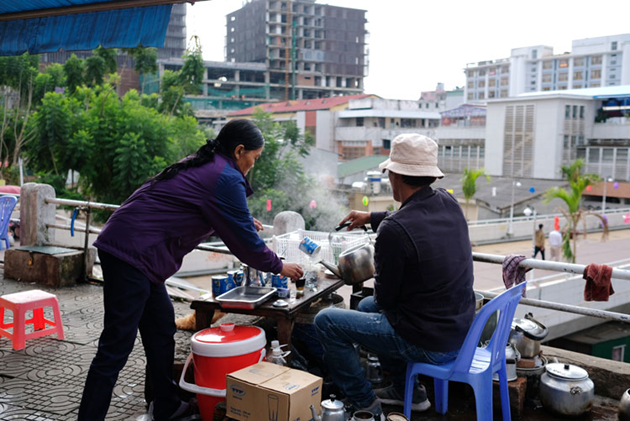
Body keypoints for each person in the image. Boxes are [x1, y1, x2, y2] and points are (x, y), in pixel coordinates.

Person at [78, 119, 304, 421]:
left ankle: (167, 406)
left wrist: (242, 221)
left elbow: (200, 206)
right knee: (115, 348)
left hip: (143, 256)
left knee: (161, 333)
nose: (254, 163)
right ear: (239, 151)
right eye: (255, 157)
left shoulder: (213, 165)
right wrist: (280, 266)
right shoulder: (225, 175)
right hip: (131, 253)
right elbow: (247, 246)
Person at [313, 134, 475, 419]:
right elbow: (414, 216)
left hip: (430, 343)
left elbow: (386, 299)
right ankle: (408, 392)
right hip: (459, 331)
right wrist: (372, 217)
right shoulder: (449, 203)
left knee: (326, 321)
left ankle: (365, 404)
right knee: (365, 308)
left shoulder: (394, 230)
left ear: (395, 174)